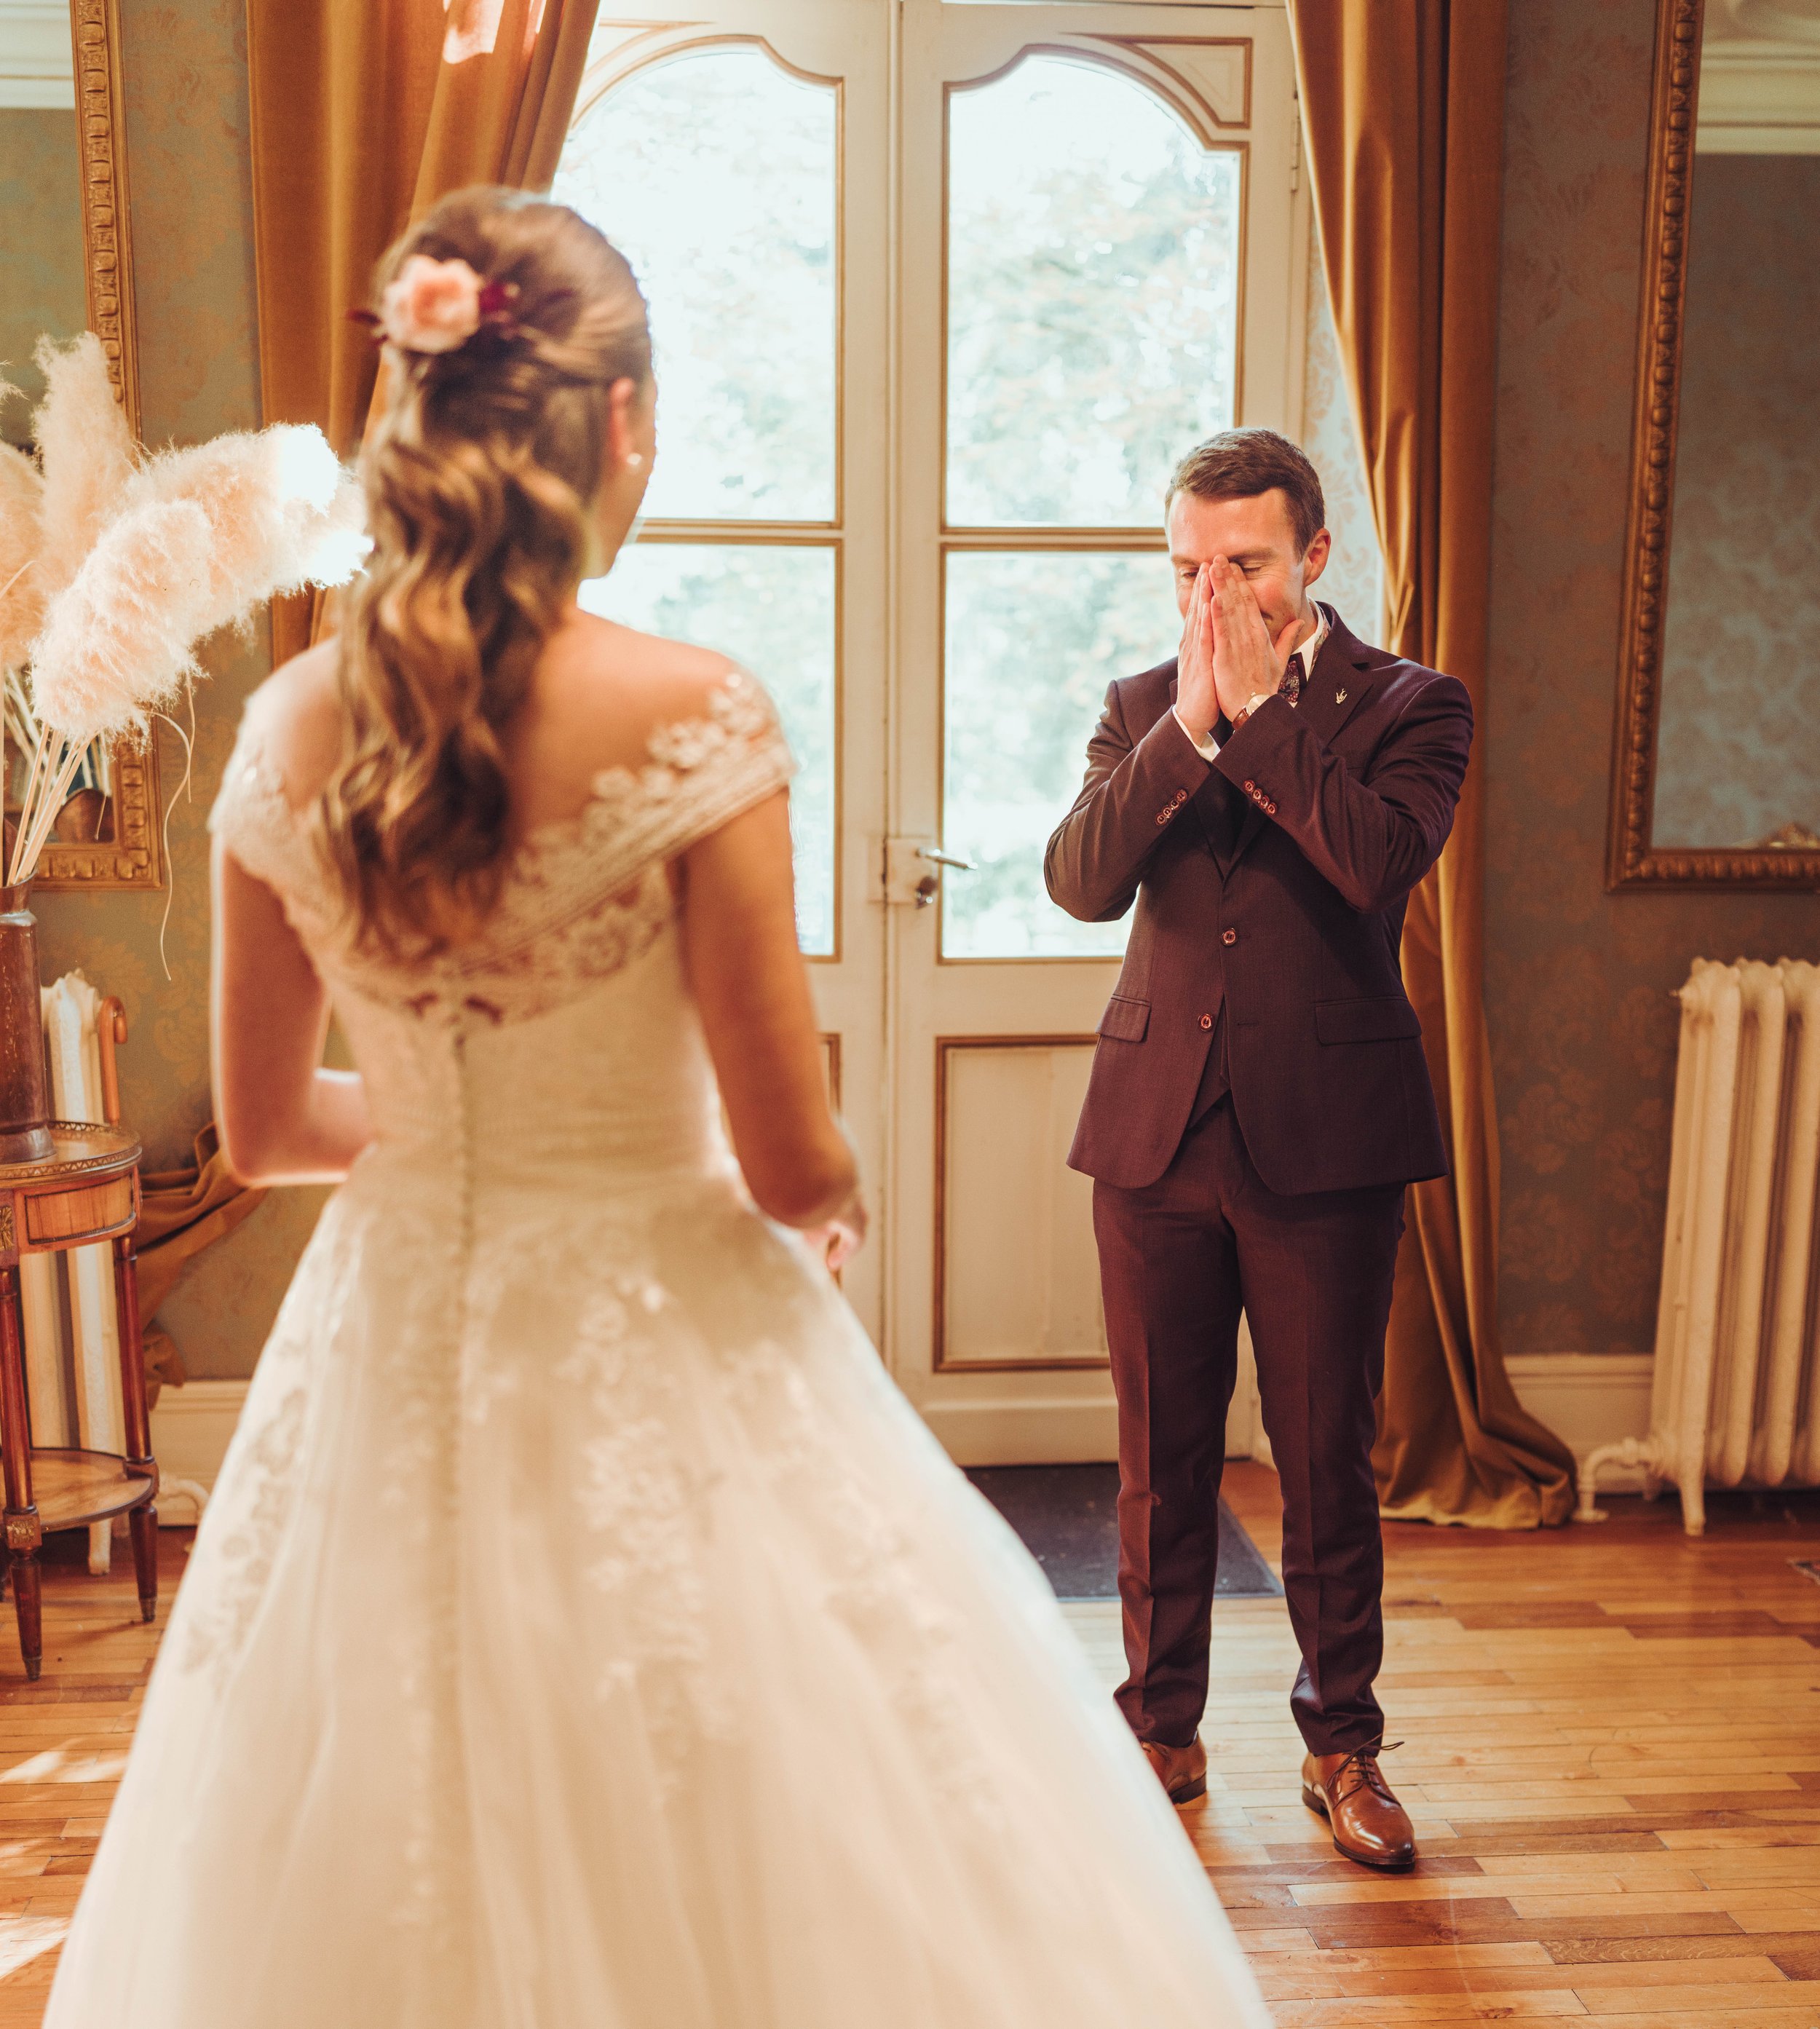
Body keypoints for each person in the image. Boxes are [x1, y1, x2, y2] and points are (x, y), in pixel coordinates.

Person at [41, 189, 1271, 2028]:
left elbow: (267, 1122)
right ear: (617, 427)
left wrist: (470, 1137)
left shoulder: (289, 726)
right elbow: (790, 1157)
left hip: (387, 1339)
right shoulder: (693, 710)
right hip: (661, 1309)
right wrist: (766, 1181)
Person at [1045, 429, 1473, 1871]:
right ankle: (1157, 1725)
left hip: (1327, 1146)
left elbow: (1369, 861)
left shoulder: (1416, 705)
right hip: (1153, 1138)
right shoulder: (1134, 702)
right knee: (1159, 1458)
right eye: (1186, 567)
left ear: (1314, 557)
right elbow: (1079, 879)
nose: (1210, 593)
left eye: (1239, 565)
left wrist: (1253, 714)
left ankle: (1340, 1741)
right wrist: (1181, 728)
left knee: (1323, 1458)